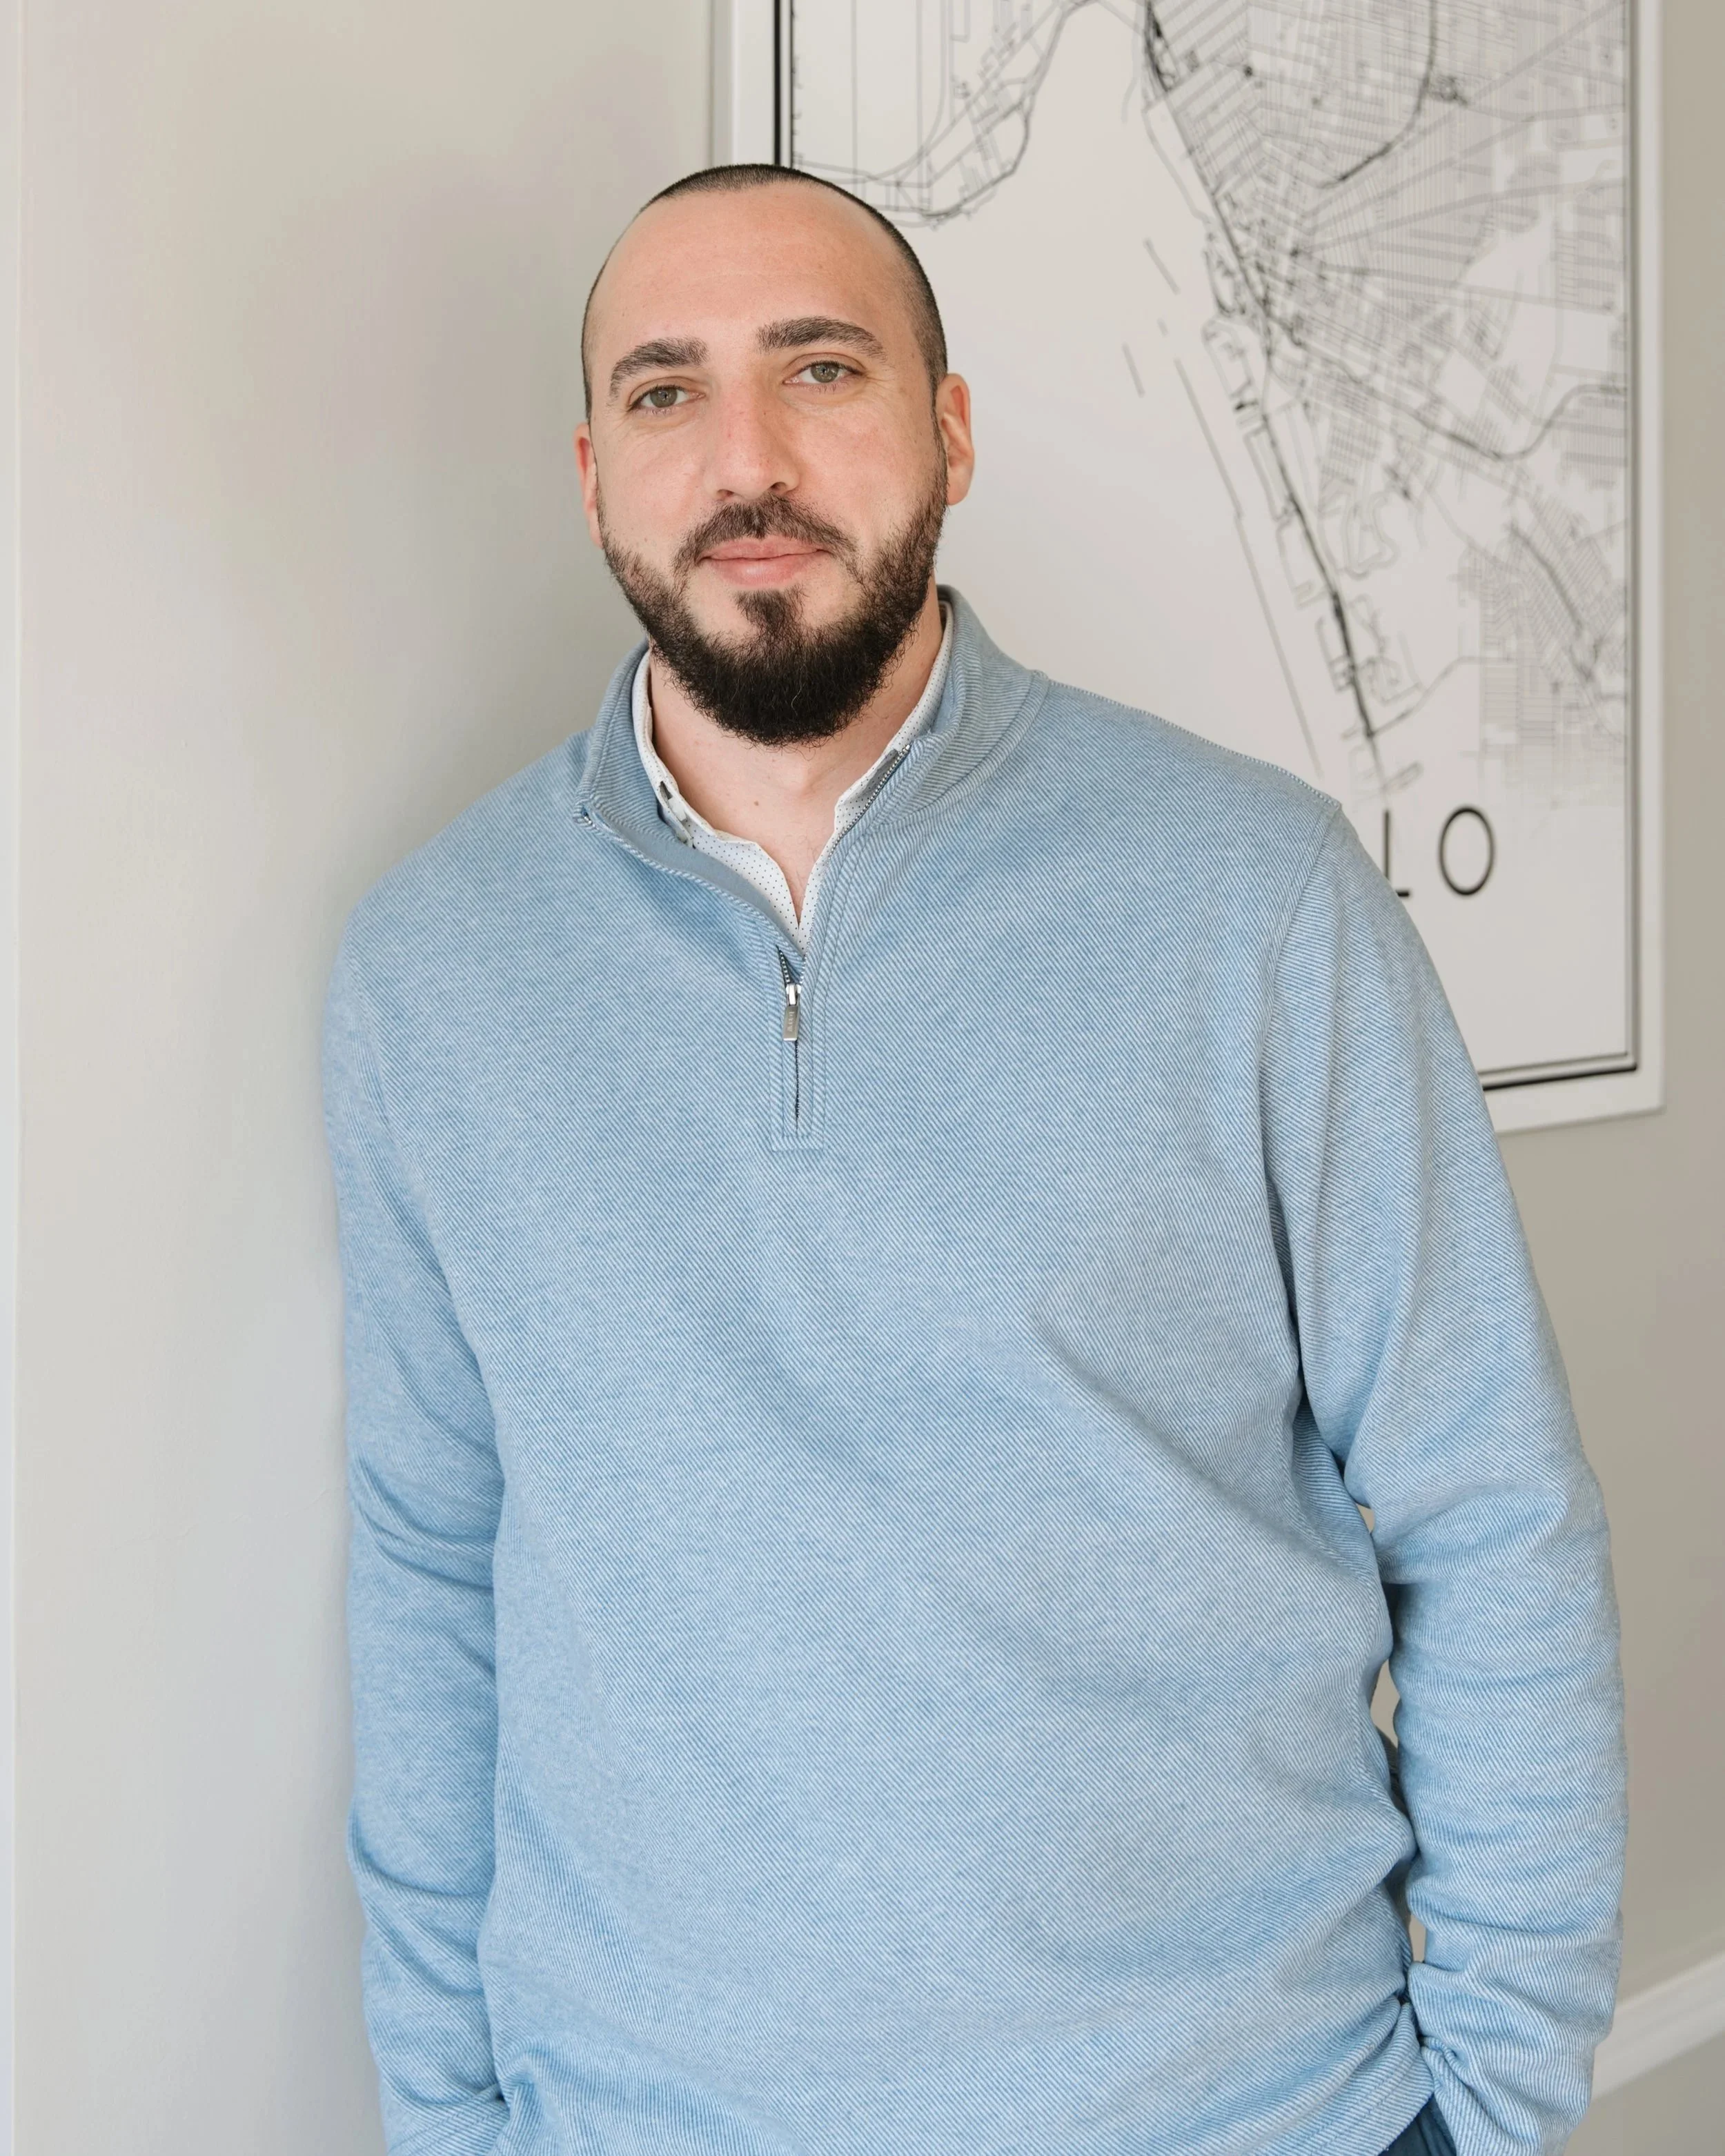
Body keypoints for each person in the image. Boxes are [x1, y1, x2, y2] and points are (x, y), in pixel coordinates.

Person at [322, 164, 1626, 2156]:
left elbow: (1490, 1517)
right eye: (666, 393)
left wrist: (1501, 2094)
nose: (744, 458)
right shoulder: (432, 973)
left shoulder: (1254, 900)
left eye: (819, 368)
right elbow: (432, 1559)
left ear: (946, 428)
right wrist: (443, 2114)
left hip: (1244, 2112)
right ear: (594, 472)